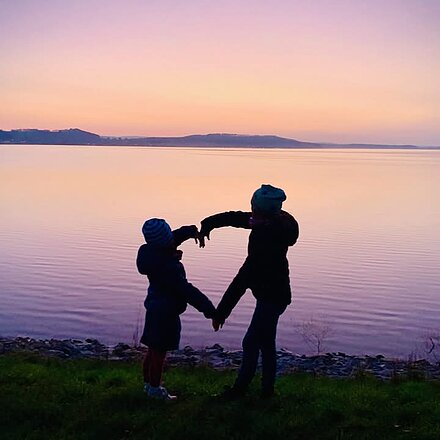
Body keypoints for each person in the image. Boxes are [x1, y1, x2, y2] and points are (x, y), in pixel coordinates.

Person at [199, 184, 299, 398]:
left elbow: (242, 280)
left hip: (272, 297)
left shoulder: (265, 241)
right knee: (266, 342)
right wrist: (209, 223)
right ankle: (267, 392)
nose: (250, 213)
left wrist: (221, 313)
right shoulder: (275, 221)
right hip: (275, 294)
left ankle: (240, 390)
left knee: (251, 341)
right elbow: (236, 218)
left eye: (254, 209)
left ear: (262, 213)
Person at [137, 218, 216, 401]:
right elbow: (187, 291)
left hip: (153, 308)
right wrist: (210, 310)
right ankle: (155, 390)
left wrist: (192, 231)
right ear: (165, 241)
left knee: (152, 349)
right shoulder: (168, 267)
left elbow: (174, 237)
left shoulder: (152, 253)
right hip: (166, 313)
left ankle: (148, 385)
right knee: (159, 352)